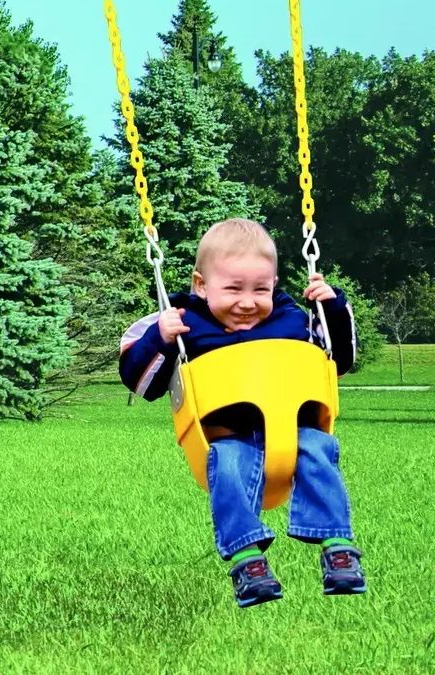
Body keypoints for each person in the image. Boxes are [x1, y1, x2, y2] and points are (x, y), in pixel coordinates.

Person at [119, 218, 366, 608]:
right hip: (228, 436)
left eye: (260, 289)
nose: (248, 302)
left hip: (293, 428)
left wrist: (331, 308)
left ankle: (337, 546)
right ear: (201, 285)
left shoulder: (292, 319)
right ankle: (247, 560)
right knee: (228, 462)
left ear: (275, 285)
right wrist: (160, 339)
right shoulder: (183, 323)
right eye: (233, 289)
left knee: (319, 448)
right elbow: (142, 384)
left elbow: (339, 360)